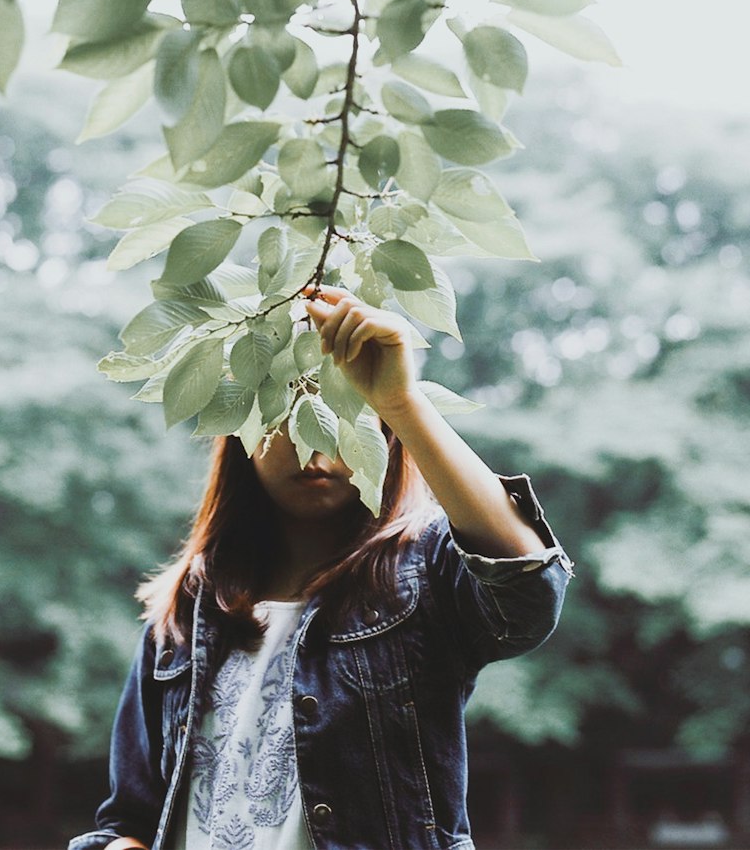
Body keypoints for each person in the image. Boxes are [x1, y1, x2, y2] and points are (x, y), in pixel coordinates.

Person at [68, 287, 573, 850]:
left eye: (339, 412)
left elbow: (527, 587)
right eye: (284, 413)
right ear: (241, 432)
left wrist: (402, 403)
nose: (312, 449)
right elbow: (129, 822)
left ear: (381, 431)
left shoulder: (423, 572)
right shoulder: (190, 607)